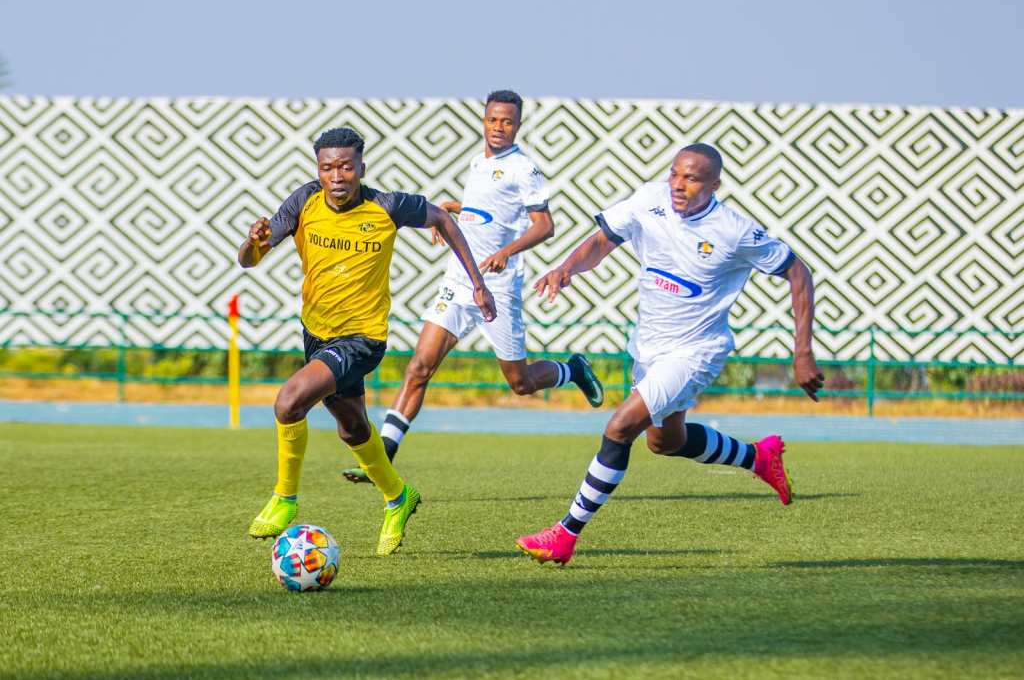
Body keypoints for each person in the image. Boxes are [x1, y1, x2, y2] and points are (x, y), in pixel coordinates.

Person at [516, 143, 824, 565]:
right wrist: (567, 267)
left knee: (620, 427)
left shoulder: (733, 230)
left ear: (714, 185)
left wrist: (802, 351)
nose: (679, 185)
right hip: (649, 347)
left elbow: (798, 271)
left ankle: (565, 535)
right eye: (675, 174)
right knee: (665, 441)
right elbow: (602, 241)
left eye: (692, 178)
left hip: (696, 351)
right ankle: (759, 457)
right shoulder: (649, 199)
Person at [239, 127, 496, 555]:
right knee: (352, 428)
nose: (336, 176)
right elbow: (249, 261)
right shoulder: (305, 201)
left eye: (345, 166)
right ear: (318, 171)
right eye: (327, 167)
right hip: (316, 333)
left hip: (362, 338)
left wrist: (477, 283)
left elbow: (444, 220)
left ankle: (284, 497)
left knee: (289, 402)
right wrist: (253, 242)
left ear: (361, 167)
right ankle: (399, 499)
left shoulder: (388, 206)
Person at [342, 90, 603, 485]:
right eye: (493, 120)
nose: (499, 128)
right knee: (418, 368)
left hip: (497, 289)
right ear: (484, 120)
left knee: (521, 384)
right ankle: (382, 459)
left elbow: (544, 225)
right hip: (459, 279)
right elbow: (491, 213)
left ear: (518, 125)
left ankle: (573, 369)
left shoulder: (524, 169)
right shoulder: (477, 162)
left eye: (508, 122)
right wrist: (455, 209)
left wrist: (508, 251)